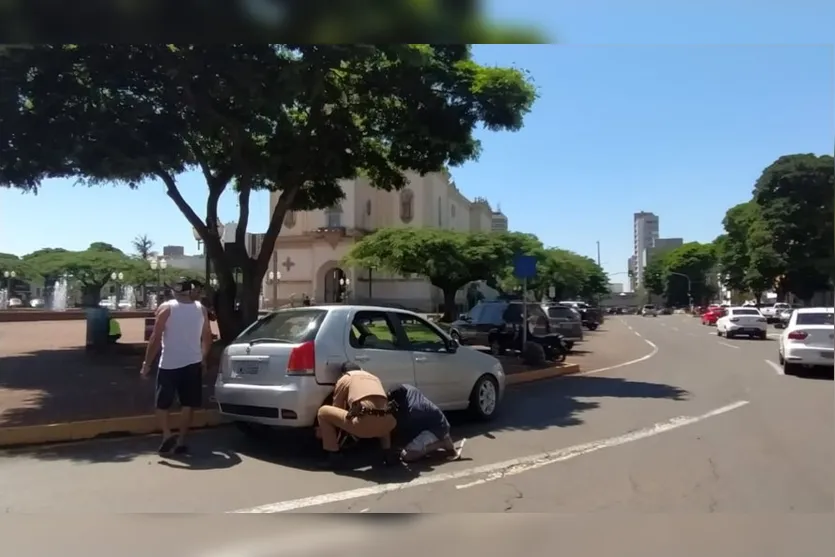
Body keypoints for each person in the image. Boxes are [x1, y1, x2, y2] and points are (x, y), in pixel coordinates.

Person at [141, 278, 213, 455]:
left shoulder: (167, 308)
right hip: (193, 362)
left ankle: (167, 435)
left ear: (176, 292)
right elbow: (207, 337)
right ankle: (181, 441)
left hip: (169, 364)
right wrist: (203, 359)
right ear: (190, 292)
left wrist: (147, 364)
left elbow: (155, 338)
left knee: (161, 404)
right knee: (188, 404)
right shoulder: (200, 309)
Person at [316, 362, 398, 469]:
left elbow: (337, 407)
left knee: (323, 412)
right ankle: (387, 453)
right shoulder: (374, 378)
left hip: (363, 426)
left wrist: (323, 431)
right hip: (388, 425)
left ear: (343, 373)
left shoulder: (346, 378)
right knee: (381, 412)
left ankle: (334, 456)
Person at [387, 384, 461, 462]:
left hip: (437, 428)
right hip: (430, 422)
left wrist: (397, 449)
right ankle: (439, 442)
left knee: (407, 456)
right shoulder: (407, 388)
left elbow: (406, 431)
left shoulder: (412, 410)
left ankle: (442, 443)